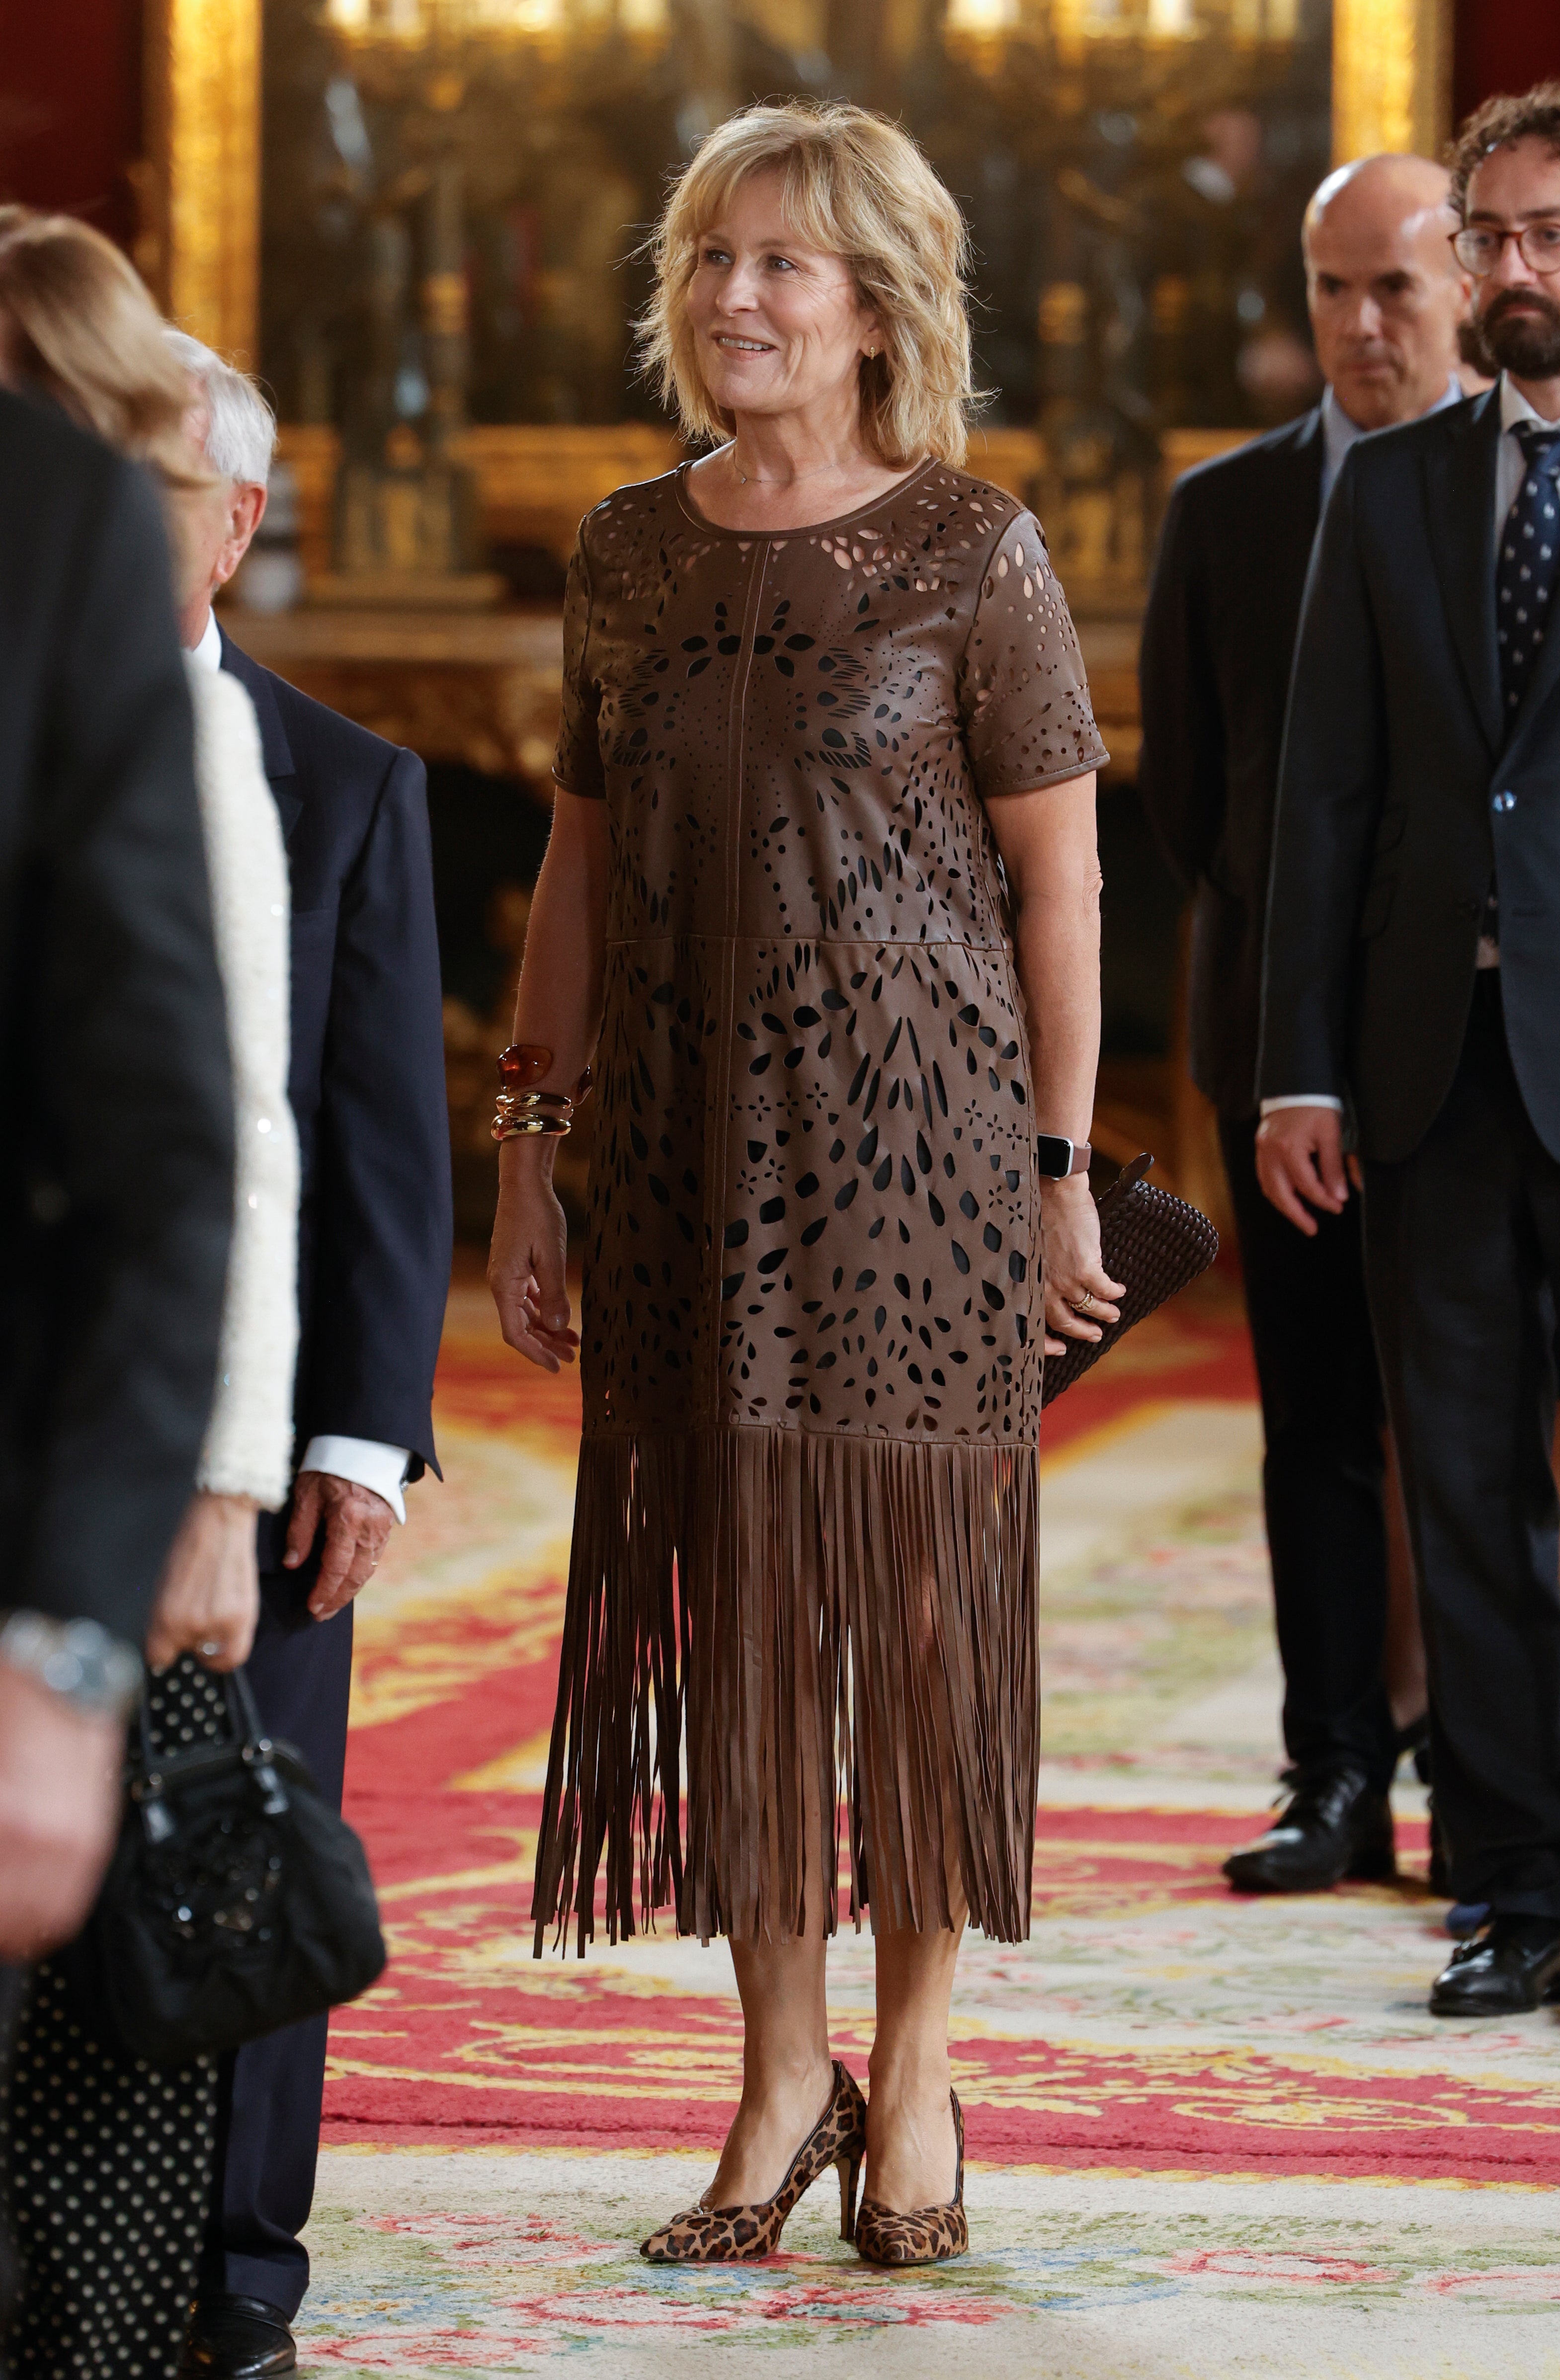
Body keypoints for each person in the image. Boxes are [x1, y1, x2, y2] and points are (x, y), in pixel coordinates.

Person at [488, 99, 1115, 2267]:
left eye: (782, 263)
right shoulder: (627, 550)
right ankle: (779, 2074)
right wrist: (531, 1148)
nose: (734, 296)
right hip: (674, 1160)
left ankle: (918, 2065)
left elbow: (1061, 884)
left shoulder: (970, 550)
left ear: (875, 310)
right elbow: (574, 860)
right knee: (743, 1625)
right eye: (710, 259)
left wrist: (1052, 1168)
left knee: (910, 1625)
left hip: (919, 1159)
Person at [0, 208, 302, 2380]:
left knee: (112, 2009)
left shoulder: (70, 571)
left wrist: (188, 1502)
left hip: (52, 1456)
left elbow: (217, 1140)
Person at [1258, 81, 1560, 2016]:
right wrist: (1298, 1065)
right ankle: (1517, 1886)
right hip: (1426, 1071)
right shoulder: (1386, 489)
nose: (1520, 270)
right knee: (1458, 1481)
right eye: (1497, 238)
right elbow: (1326, 796)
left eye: (1554, 233)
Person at [157, 333, 452, 2379]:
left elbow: (374, 1148)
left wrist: (361, 1433)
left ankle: (238, 2277)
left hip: (255, 1427)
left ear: (237, 523)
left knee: (247, 1847)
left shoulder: (342, 782)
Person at [1139, 155, 1472, 1895]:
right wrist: (1300, 1014)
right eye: (1329, 287)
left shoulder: (1517, 492)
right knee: (1318, 1419)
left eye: (1392, 287)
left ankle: (1494, 1788)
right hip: (1282, 1048)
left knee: (1484, 1424)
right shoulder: (1228, 510)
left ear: (1469, 282)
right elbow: (1194, 800)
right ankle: (1334, 1772)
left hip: (1483, 1051)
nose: (1356, 324)